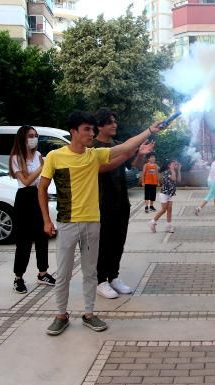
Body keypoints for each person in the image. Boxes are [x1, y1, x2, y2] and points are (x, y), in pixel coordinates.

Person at [38, 110, 160, 336]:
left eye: (92, 129)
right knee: (63, 273)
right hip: (66, 223)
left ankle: (89, 313)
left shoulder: (93, 155)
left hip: (92, 222)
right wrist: (46, 220)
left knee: (90, 273)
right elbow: (42, 188)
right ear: (73, 132)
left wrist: (149, 131)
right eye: (86, 129)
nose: (90, 133)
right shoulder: (55, 156)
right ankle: (61, 315)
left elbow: (124, 149)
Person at [91, 108, 154, 299]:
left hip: (121, 202)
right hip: (102, 202)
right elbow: (103, 167)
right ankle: (101, 281)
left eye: (115, 121)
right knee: (104, 243)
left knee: (119, 242)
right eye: (110, 121)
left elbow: (133, 166)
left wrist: (140, 154)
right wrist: (127, 153)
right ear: (99, 125)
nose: (114, 124)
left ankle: (114, 277)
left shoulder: (118, 144)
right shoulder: (92, 146)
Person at [9, 126, 56, 294]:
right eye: (30, 136)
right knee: (24, 240)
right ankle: (18, 277)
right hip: (24, 198)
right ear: (22, 138)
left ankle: (43, 273)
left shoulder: (38, 156)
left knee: (42, 236)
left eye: (35, 136)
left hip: (38, 196)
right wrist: (41, 168)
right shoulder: (16, 158)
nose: (34, 138)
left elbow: (43, 180)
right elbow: (26, 181)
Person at [148, 159, 181, 233]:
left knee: (169, 210)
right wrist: (173, 170)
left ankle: (168, 226)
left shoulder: (174, 172)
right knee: (164, 209)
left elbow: (178, 180)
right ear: (169, 165)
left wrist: (178, 170)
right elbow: (173, 178)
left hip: (170, 194)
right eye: (173, 164)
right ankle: (152, 222)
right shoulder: (167, 172)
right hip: (164, 193)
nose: (175, 165)